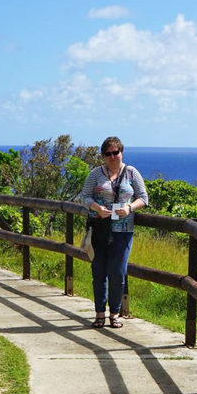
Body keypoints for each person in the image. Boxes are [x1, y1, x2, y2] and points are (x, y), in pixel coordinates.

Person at [80, 136, 148, 328]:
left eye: (115, 152)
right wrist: (96, 208)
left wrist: (129, 208)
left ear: (121, 152)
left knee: (118, 272)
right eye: (108, 154)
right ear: (103, 156)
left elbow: (143, 197)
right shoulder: (95, 174)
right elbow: (84, 196)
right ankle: (99, 313)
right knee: (99, 271)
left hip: (123, 230)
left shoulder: (131, 173)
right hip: (100, 229)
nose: (112, 156)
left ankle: (115, 313)